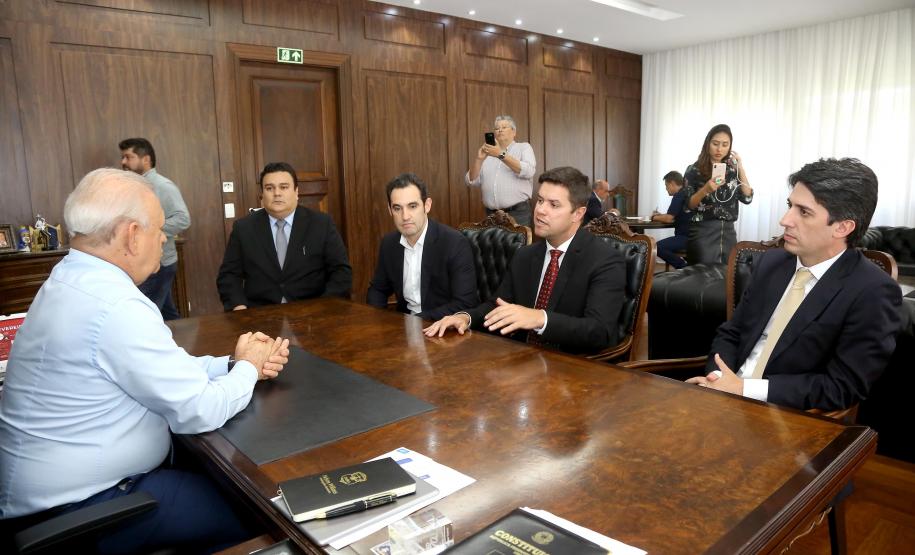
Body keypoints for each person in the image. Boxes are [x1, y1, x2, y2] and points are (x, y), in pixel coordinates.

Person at [0, 168, 290, 553]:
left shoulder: (72, 278)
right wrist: (250, 369)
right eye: (160, 229)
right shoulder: (115, 305)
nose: (165, 238)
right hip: (85, 508)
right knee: (262, 513)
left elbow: (161, 367)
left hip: (57, 491)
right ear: (132, 235)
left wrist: (232, 364)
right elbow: (201, 410)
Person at [687, 158, 903, 411]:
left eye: (804, 212)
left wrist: (743, 389)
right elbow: (732, 332)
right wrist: (718, 379)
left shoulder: (873, 291)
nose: (785, 220)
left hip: (786, 416)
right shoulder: (772, 263)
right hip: (722, 397)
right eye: (790, 206)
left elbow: (842, 387)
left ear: (843, 227)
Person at [425, 166, 626, 354]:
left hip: (574, 368)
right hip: (521, 360)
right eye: (540, 200)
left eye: (553, 205)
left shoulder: (605, 260)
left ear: (578, 214)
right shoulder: (525, 255)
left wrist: (540, 318)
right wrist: (465, 317)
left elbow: (599, 331)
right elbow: (498, 305)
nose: (540, 210)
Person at [217, 161, 352, 310]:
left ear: (296, 192)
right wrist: (238, 307)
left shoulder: (321, 224)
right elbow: (229, 275)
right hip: (260, 314)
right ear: (262, 195)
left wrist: (325, 306)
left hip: (312, 311)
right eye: (269, 188)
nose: (277, 193)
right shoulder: (243, 228)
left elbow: (341, 271)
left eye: (284, 187)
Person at [367, 173, 479, 320]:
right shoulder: (389, 243)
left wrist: (414, 323)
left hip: (442, 326)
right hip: (403, 326)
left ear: (427, 205)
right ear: (389, 210)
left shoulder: (454, 243)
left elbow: (465, 303)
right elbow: (378, 290)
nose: (405, 216)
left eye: (412, 206)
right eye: (397, 208)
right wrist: (376, 321)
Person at [120, 137, 190, 319]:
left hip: (160, 263)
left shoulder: (163, 186)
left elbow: (183, 219)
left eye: (128, 157)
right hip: (144, 263)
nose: (123, 162)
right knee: (166, 313)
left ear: (146, 159)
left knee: (146, 316)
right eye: (123, 157)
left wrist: (149, 231)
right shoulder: (133, 186)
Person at [683, 124, 753, 264]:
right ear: (707, 143)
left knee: (727, 273)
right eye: (715, 144)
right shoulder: (694, 170)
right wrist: (705, 190)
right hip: (703, 232)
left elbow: (747, 197)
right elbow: (688, 205)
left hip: (728, 232)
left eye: (725, 144)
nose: (719, 149)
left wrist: (740, 168)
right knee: (702, 274)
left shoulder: (732, 170)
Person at [465, 115, 537, 226]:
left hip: (518, 214)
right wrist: (479, 159)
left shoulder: (523, 148)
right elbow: (471, 181)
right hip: (491, 216)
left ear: (514, 132)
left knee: (520, 239)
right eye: (497, 128)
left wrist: (500, 154)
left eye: (504, 127)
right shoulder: (488, 156)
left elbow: (528, 171)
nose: (500, 130)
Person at [651, 171, 690, 269]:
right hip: (695, 236)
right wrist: (661, 215)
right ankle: (686, 266)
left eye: (666, 185)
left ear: (672, 183)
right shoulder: (687, 193)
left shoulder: (679, 195)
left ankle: (683, 267)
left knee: (657, 247)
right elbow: (673, 216)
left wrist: (653, 217)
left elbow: (669, 219)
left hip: (685, 238)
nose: (666, 189)